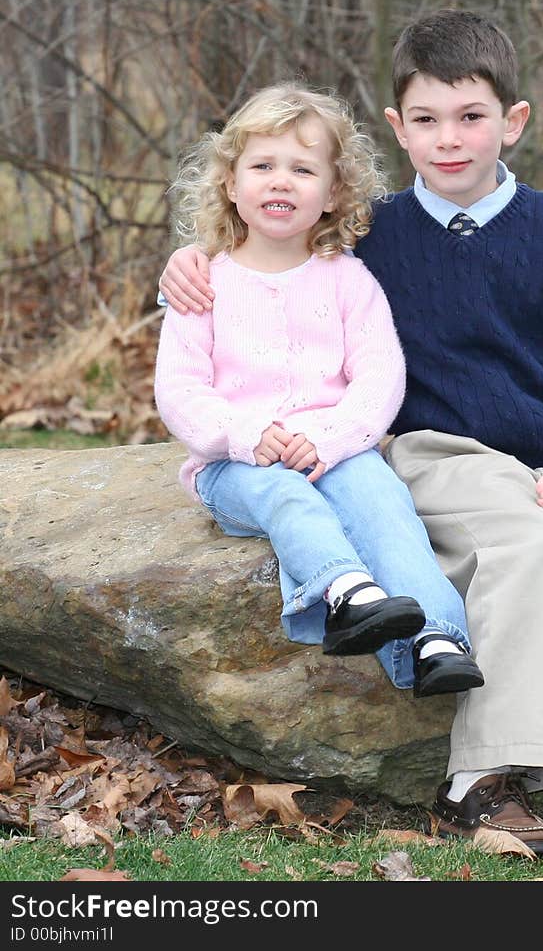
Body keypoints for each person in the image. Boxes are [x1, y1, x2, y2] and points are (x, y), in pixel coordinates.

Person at [159, 15, 543, 859]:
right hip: (438, 454)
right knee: (537, 544)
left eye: (471, 116)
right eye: (427, 119)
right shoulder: (369, 233)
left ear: (512, 122)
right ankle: (486, 777)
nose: (449, 138)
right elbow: (269, 246)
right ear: (398, 129)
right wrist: (187, 261)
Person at [154, 80, 484, 702]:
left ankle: (439, 639)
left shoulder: (348, 280)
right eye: (262, 165)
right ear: (229, 181)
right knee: (286, 498)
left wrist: (331, 440)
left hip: (336, 451)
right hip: (233, 463)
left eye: (302, 169)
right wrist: (245, 435)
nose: (281, 181)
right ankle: (343, 594)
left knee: (387, 512)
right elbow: (179, 390)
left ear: (333, 192)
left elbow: (380, 376)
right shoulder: (204, 284)